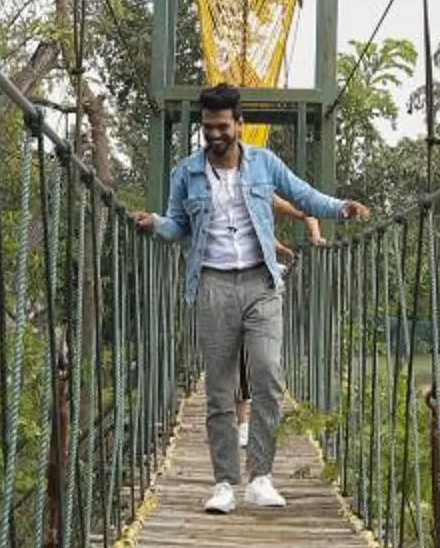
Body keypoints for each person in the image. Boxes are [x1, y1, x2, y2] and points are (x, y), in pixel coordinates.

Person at [133, 85, 368, 513]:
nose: (215, 134)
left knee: (267, 374)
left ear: (239, 125)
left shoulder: (264, 163)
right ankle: (224, 483)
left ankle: (261, 476)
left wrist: (342, 208)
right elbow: (178, 227)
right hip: (212, 284)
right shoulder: (185, 173)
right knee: (220, 390)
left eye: (222, 126)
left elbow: (303, 194)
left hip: (261, 282)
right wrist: (155, 223)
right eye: (207, 128)